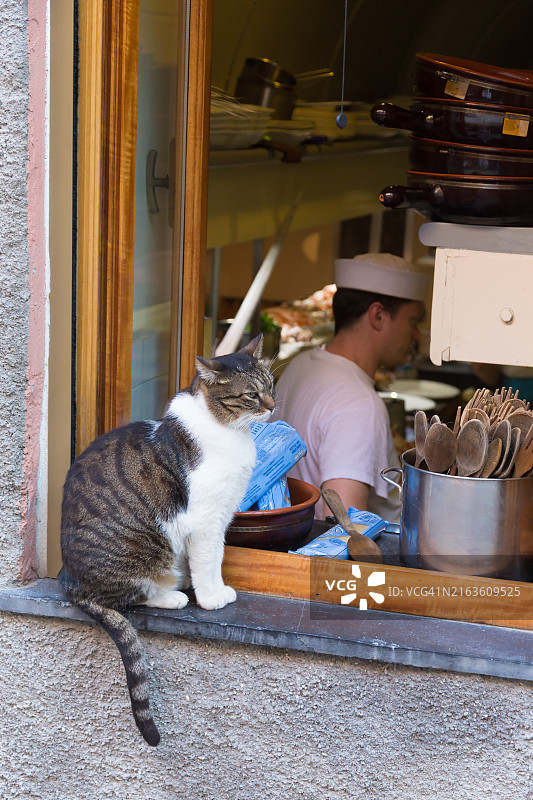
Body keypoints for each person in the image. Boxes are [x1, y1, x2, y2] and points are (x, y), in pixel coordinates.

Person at [274, 253, 429, 521]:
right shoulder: (359, 404)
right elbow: (344, 529)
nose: (416, 334)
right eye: (414, 321)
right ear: (378, 315)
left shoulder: (301, 364)